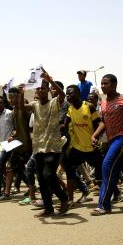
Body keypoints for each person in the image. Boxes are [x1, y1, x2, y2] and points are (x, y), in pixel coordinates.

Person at [90, 74, 123, 215]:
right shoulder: (103, 103)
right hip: (110, 140)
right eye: (102, 84)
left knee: (107, 165)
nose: (103, 86)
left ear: (114, 84)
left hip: (121, 137)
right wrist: (95, 135)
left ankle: (104, 204)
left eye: (106, 83)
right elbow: (103, 122)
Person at [24, 70, 69, 217]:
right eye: (38, 88)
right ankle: (48, 207)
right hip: (38, 147)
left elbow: (63, 96)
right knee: (41, 179)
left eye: (43, 88)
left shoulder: (54, 103)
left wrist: (50, 80)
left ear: (48, 90)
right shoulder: (34, 105)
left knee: (48, 175)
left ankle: (63, 199)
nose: (40, 90)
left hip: (53, 146)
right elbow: (20, 107)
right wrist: (19, 93)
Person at [63, 85, 101, 205]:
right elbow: (65, 124)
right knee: (69, 169)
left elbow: (100, 124)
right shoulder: (70, 109)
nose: (68, 96)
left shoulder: (89, 107)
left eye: (71, 93)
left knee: (101, 174)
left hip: (90, 147)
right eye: (67, 94)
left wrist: (95, 137)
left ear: (78, 93)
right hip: (77, 147)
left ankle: (116, 193)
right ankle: (70, 200)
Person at [0, 95, 15, 201]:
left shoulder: (10, 113)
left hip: (12, 144)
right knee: (14, 168)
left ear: (4, 104)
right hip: (3, 145)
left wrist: (13, 136)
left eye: (0, 102)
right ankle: (31, 187)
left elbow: (17, 127)